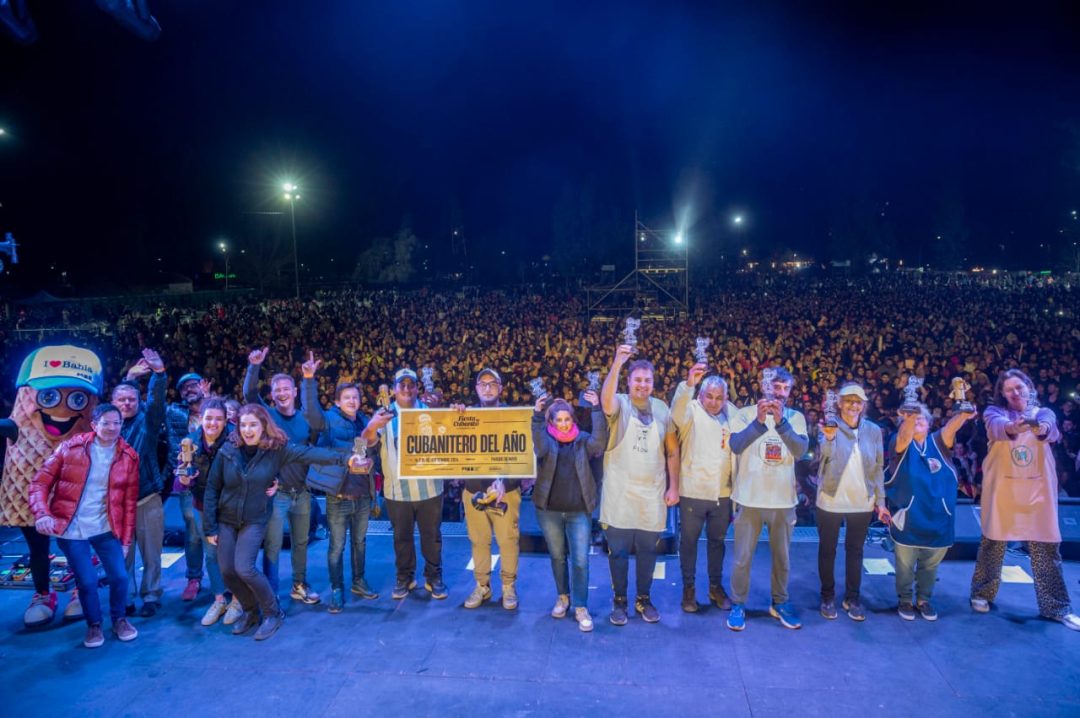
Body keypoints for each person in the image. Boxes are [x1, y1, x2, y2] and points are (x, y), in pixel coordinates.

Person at [203, 404, 363, 641]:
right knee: (227, 570)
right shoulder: (228, 449)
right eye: (244, 425)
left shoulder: (276, 450)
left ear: (264, 426)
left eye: (253, 425)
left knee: (244, 568)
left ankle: (272, 612)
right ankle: (250, 611)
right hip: (226, 519)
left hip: (254, 519)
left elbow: (311, 454)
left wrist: (347, 459)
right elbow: (212, 488)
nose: (248, 430)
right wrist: (210, 526)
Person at [969, 370, 1080, 630]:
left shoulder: (1045, 413)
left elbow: (1050, 431)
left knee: (1046, 549)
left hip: (1036, 492)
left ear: (1029, 387)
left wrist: (1037, 426)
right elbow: (997, 429)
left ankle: (1057, 607)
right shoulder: (994, 413)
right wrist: (1015, 426)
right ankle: (981, 593)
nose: (1015, 393)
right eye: (1009, 390)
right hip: (1003, 490)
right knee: (992, 543)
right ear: (1003, 394)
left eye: (1019, 387)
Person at [28, 403, 139, 648]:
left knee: (120, 577)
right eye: (106, 423)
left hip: (106, 527)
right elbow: (39, 483)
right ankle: (94, 625)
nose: (111, 428)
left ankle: (120, 619)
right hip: (71, 528)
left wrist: (126, 540)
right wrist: (42, 514)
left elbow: (129, 503)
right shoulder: (70, 447)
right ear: (94, 424)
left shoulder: (129, 456)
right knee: (87, 581)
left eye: (116, 423)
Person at [599, 344, 680, 626]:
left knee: (648, 551)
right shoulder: (619, 402)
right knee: (618, 551)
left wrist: (674, 487)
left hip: (651, 493)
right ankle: (619, 600)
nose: (642, 385)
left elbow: (672, 451)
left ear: (653, 383)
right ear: (629, 382)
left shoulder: (662, 408)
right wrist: (617, 363)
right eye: (637, 380)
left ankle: (643, 599)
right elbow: (605, 402)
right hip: (619, 492)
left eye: (647, 380)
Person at [727, 367, 809, 631]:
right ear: (764, 386)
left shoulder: (795, 417)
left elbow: (799, 450)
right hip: (749, 498)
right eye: (776, 386)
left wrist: (782, 422)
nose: (780, 392)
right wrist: (760, 422)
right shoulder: (745, 414)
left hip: (783, 500)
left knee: (782, 558)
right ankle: (738, 603)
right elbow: (736, 445)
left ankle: (780, 602)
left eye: (786, 388)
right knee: (742, 558)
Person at [300, 353, 377, 614]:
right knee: (337, 546)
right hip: (338, 496)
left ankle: (358, 581)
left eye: (355, 397)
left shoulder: (364, 422)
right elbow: (310, 412)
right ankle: (336, 589)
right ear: (337, 401)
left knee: (360, 542)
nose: (352, 401)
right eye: (347, 398)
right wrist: (309, 380)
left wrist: (368, 462)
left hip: (363, 495)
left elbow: (365, 451)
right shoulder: (328, 420)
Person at [361, 368, 447, 600]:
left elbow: (450, 437)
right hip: (397, 490)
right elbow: (366, 443)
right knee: (402, 538)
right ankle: (405, 577)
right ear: (394, 390)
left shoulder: (431, 411)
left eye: (411, 385)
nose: (407, 389)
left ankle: (434, 576)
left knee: (432, 537)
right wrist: (371, 426)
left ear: (418, 388)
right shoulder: (384, 415)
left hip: (430, 487)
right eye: (402, 385)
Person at [243, 347, 320, 605]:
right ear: (272, 395)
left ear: (294, 392)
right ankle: (271, 593)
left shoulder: (305, 420)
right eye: (277, 390)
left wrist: (309, 378)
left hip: (303, 492)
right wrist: (254, 367)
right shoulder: (269, 417)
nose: (282, 393)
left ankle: (299, 584)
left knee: (301, 543)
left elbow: (314, 411)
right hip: (277, 494)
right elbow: (249, 394)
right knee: (273, 546)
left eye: (286, 388)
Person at [886, 403, 974, 620]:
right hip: (910, 516)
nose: (917, 422)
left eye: (921, 419)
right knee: (905, 565)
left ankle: (924, 599)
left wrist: (962, 415)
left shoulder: (939, 443)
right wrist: (910, 416)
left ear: (929, 425)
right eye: (912, 419)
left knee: (930, 565)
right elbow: (904, 436)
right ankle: (905, 599)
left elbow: (951, 428)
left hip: (938, 516)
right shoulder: (900, 443)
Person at [532, 392, 607, 631]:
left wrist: (596, 409)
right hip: (550, 511)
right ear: (551, 422)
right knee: (557, 557)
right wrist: (536, 416)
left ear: (572, 419)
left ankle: (581, 606)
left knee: (581, 561)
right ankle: (563, 597)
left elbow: (599, 441)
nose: (563, 424)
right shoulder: (547, 441)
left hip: (578, 512)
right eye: (558, 420)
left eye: (567, 419)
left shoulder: (583, 441)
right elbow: (539, 446)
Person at [815, 383, 890, 621]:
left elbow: (878, 468)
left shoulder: (874, 431)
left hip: (862, 501)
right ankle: (827, 597)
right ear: (839, 403)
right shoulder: (830, 425)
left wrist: (881, 501)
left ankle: (852, 597)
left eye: (858, 401)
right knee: (827, 550)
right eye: (848, 401)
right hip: (831, 498)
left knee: (855, 551)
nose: (853, 405)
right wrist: (828, 439)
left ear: (863, 405)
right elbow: (824, 456)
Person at [670, 363, 738, 613]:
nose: (713, 402)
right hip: (693, 491)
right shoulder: (690, 411)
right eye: (709, 396)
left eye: (719, 397)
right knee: (688, 542)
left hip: (723, 492)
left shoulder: (732, 413)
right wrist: (689, 384)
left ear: (725, 398)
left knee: (717, 542)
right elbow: (676, 412)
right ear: (700, 395)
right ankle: (688, 588)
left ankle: (715, 587)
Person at [454, 368, 522, 611]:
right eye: (482, 384)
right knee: (478, 541)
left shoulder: (513, 416)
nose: (487, 388)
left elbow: (521, 454)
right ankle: (482, 586)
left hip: (506, 490)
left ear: (500, 388)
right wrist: (453, 417)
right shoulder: (465, 415)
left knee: (508, 540)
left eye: (492, 383)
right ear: (476, 389)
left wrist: (505, 479)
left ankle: (508, 587)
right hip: (473, 490)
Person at [173, 398, 239, 626]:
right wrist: (183, 479)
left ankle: (238, 601)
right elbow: (181, 484)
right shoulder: (189, 442)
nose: (213, 423)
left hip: (232, 507)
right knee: (211, 554)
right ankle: (220, 598)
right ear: (200, 418)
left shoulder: (236, 439)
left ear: (226, 420)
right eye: (208, 418)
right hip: (203, 507)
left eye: (218, 419)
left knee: (234, 555)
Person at [113, 348, 167, 617]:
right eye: (121, 400)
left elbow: (156, 403)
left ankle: (151, 594)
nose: (126, 403)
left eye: (131, 399)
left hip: (146, 497)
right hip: (117, 503)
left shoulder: (147, 423)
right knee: (123, 556)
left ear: (138, 401)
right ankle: (126, 598)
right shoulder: (104, 428)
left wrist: (158, 374)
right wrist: (129, 378)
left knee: (151, 552)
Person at [165, 371, 210, 602]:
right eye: (184, 388)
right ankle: (194, 578)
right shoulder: (174, 412)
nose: (189, 390)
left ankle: (227, 578)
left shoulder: (217, 410)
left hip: (217, 482)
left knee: (222, 531)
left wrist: (211, 400)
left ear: (203, 386)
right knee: (193, 533)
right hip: (189, 484)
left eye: (194, 385)